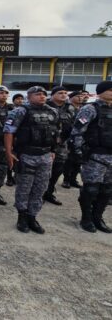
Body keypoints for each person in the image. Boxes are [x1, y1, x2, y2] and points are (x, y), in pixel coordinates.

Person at [4, 86, 59, 234]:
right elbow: (9, 132)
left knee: (40, 188)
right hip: (27, 155)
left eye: (43, 94)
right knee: (24, 188)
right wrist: (9, 152)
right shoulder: (20, 111)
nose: (42, 96)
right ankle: (21, 217)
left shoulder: (52, 111)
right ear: (29, 96)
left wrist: (53, 150)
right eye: (38, 94)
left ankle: (32, 217)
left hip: (45, 156)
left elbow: (54, 132)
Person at [69, 81, 112, 233]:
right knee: (91, 189)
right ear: (101, 92)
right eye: (110, 90)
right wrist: (79, 153)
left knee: (107, 190)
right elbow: (78, 132)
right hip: (95, 156)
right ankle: (86, 218)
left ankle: (98, 217)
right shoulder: (90, 109)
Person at [43, 86, 76, 205]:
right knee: (44, 170)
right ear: (53, 95)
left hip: (62, 144)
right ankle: (39, 192)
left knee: (58, 169)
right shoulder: (45, 106)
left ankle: (49, 192)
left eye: (65, 93)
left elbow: (73, 124)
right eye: (60, 93)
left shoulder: (69, 108)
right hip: (46, 144)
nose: (64, 95)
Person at [62, 91, 85, 189]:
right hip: (69, 138)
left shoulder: (84, 109)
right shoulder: (66, 108)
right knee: (69, 160)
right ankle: (66, 179)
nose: (80, 98)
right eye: (78, 96)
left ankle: (73, 179)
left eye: (81, 96)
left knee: (79, 160)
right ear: (71, 98)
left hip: (82, 139)